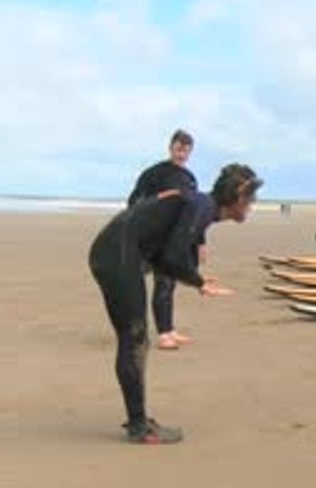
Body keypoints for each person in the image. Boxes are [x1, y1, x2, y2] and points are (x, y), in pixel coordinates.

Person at [89, 164, 262, 444]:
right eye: (252, 200)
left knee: (137, 339)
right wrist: (198, 281)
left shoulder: (199, 206)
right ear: (239, 196)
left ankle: (139, 421)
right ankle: (138, 426)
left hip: (117, 250)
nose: (252, 206)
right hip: (117, 252)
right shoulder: (201, 206)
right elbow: (171, 259)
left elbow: (162, 258)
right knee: (134, 338)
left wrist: (197, 281)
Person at [127, 129, 198, 351]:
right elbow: (133, 202)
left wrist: (199, 242)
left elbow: (192, 210)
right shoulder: (154, 174)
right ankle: (134, 331)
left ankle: (167, 332)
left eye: (186, 151)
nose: (181, 154)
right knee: (132, 284)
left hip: (173, 240)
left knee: (166, 284)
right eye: (178, 149)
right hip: (149, 239)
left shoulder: (189, 179)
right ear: (170, 147)